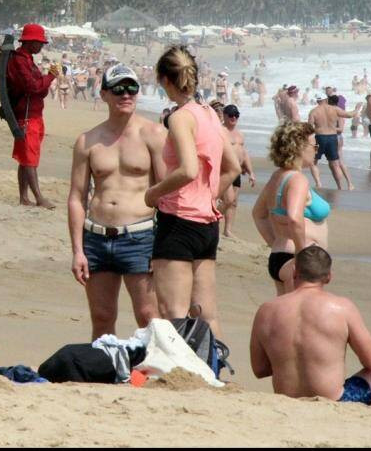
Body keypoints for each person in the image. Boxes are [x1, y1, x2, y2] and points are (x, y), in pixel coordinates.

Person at [144, 46, 238, 338]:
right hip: (206, 223)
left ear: (165, 80)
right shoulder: (209, 114)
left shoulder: (181, 117)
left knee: (173, 312)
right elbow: (232, 167)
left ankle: (180, 365)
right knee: (207, 313)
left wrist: (153, 193)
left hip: (179, 221)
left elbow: (187, 169)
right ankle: (215, 363)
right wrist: (209, 196)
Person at [68, 65, 165, 338]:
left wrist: (161, 246)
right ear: (104, 94)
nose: (126, 94)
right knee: (101, 317)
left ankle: (151, 365)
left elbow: (167, 195)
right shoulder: (88, 141)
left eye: (132, 88)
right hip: (97, 238)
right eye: (118, 89)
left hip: (140, 237)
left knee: (148, 316)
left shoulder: (154, 134)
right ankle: (104, 364)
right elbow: (76, 197)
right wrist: (77, 250)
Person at [250, 246, 371, 405]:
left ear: (294, 271)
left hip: (287, 400)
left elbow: (260, 370)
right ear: (329, 276)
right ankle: (366, 410)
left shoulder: (266, 310)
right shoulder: (342, 308)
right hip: (336, 401)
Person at [251, 122, 330, 295]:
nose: (316, 150)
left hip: (280, 255)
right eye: (314, 146)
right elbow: (294, 218)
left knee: (286, 308)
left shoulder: (277, 176)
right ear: (299, 147)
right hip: (296, 258)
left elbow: (258, 214)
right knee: (300, 310)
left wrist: (275, 242)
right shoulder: (297, 180)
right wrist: (302, 258)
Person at [6, 24, 56, 209]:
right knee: (30, 159)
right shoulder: (20, 60)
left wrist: (45, 80)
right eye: (40, 42)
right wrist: (50, 77)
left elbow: (37, 87)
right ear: (31, 42)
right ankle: (39, 198)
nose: (41, 46)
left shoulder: (25, 59)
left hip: (32, 113)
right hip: (27, 115)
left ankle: (24, 197)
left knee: (26, 158)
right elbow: (33, 87)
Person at [307, 93, 358, 191]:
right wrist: (356, 109)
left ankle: (318, 183)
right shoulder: (334, 109)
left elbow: (309, 128)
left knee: (313, 162)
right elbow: (349, 115)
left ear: (317, 101)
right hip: (332, 138)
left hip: (319, 138)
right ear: (326, 100)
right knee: (334, 164)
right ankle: (339, 186)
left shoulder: (314, 111)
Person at [219, 105, 255, 238]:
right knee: (228, 200)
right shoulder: (220, 131)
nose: (234, 117)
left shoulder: (240, 134)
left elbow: (244, 153)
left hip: (238, 171)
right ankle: (210, 221)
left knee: (234, 203)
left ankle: (227, 230)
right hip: (225, 170)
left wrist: (250, 172)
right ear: (224, 115)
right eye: (230, 115)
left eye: (236, 115)